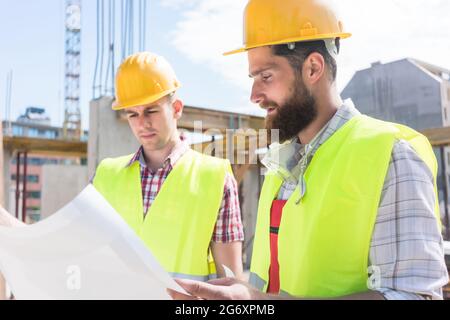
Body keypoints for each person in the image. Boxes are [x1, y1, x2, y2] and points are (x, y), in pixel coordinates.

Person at [169, 0, 449, 299]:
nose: (254, 95)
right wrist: (247, 295)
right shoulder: (281, 167)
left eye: (266, 76)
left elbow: (412, 295)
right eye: (253, 79)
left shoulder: (391, 155)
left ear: (312, 68)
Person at [0, 52, 244, 282]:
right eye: (133, 115)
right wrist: (8, 224)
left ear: (176, 108)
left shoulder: (215, 177)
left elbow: (231, 287)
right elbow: (67, 244)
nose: (143, 124)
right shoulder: (107, 175)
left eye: (151, 110)